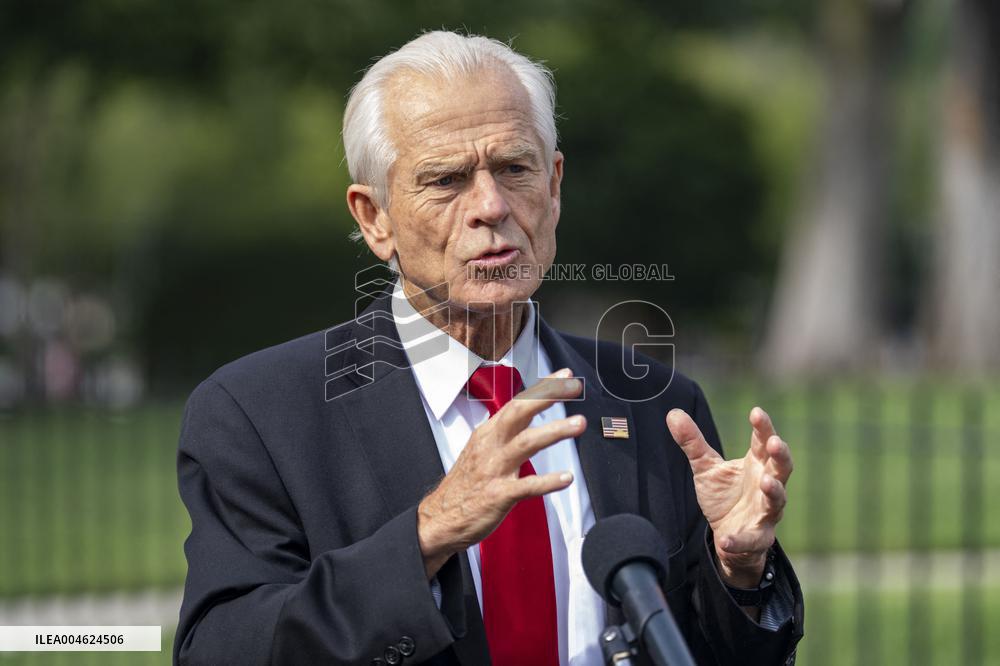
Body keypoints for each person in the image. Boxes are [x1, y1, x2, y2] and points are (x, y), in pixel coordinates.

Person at [174, 31, 804, 666]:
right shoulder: (259, 413)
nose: (492, 206)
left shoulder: (655, 403)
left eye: (514, 168)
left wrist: (739, 569)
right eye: (446, 180)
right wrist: (426, 534)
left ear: (554, 187)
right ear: (374, 219)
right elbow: (220, 650)